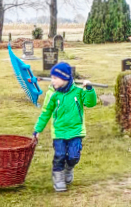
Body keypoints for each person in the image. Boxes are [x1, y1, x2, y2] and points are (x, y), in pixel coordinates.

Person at [32, 62, 97, 192]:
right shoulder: (52, 94)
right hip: (59, 132)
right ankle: (59, 179)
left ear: (65, 78)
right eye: (52, 77)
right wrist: (37, 130)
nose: (52, 80)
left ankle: (69, 168)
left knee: (74, 156)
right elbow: (45, 113)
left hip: (75, 130)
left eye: (55, 78)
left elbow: (90, 103)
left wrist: (89, 90)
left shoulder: (78, 91)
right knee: (59, 155)